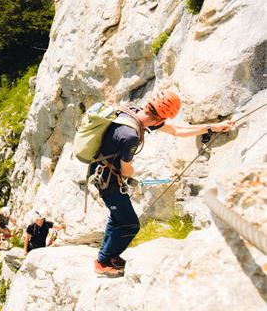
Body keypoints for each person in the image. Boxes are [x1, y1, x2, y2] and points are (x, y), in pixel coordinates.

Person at [91, 90, 235, 278]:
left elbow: (177, 131)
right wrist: (131, 175)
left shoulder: (134, 113)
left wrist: (212, 127)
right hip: (107, 180)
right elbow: (127, 170)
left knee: (118, 217)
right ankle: (103, 262)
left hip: (102, 170)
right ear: (161, 117)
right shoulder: (131, 136)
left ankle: (109, 256)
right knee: (130, 224)